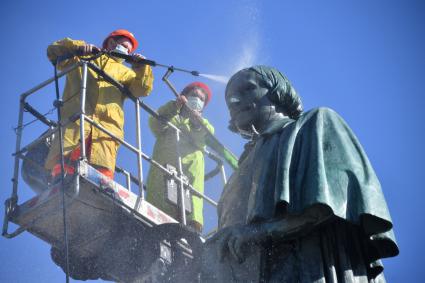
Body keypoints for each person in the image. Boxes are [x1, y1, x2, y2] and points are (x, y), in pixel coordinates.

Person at [202, 66, 399, 282]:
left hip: (312, 268)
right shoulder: (235, 178)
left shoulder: (316, 123)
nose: (234, 101)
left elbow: (326, 206)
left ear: (278, 92)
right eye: (230, 98)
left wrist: (255, 234)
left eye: (248, 89)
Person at [44, 29, 154, 180]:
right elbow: (53, 51)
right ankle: (60, 182)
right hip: (76, 126)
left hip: (106, 133)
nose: (126, 52)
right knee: (64, 176)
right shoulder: (82, 57)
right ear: (111, 42)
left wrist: (141, 67)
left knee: (101, 180)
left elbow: (141, 89)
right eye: (124, 46)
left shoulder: (126, 73)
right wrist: (78, 47)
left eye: (129, 50)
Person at [146, 82, 214, 233]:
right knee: (160, 214)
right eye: (194, 96)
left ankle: (190, 229)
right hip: (164, 175)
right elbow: (155, 123)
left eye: (201, 99)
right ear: (184, 97)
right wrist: (174, 107)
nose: (197, 100)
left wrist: (197, 123)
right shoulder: (171, 117)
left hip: (190, 180)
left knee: (189, 221)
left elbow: (206, 135)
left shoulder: (204, 125)